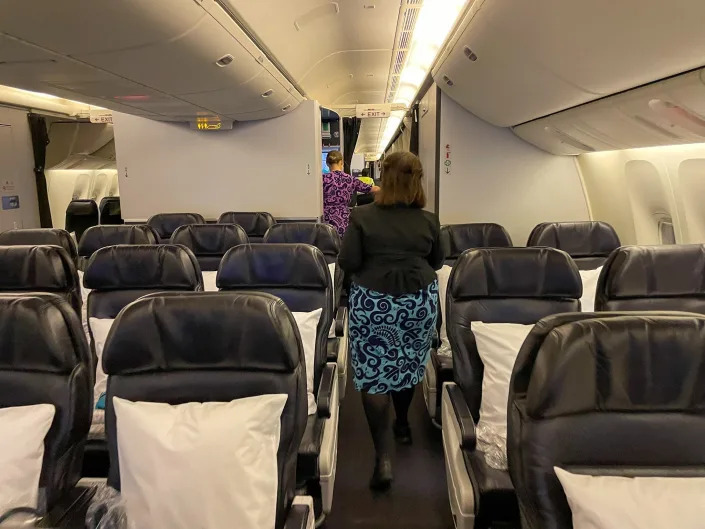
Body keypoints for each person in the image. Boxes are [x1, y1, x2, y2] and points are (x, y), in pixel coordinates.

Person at [339, 151, 443, 491]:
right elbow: (438, 261)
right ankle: (402, 422)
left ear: (384, 177)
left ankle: (382, 457)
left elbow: (349, 260)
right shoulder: (428, 220)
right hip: (417, 301)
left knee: (373, 375)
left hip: (374, 301)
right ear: (417, 181)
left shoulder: (362, 216)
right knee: (408, 364)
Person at [323, 151, 379, 237]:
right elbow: (372, 188)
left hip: (326, 218)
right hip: (343, 218)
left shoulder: (323, 179)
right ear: (341, 162)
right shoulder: (350, 179)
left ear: (327, 163)